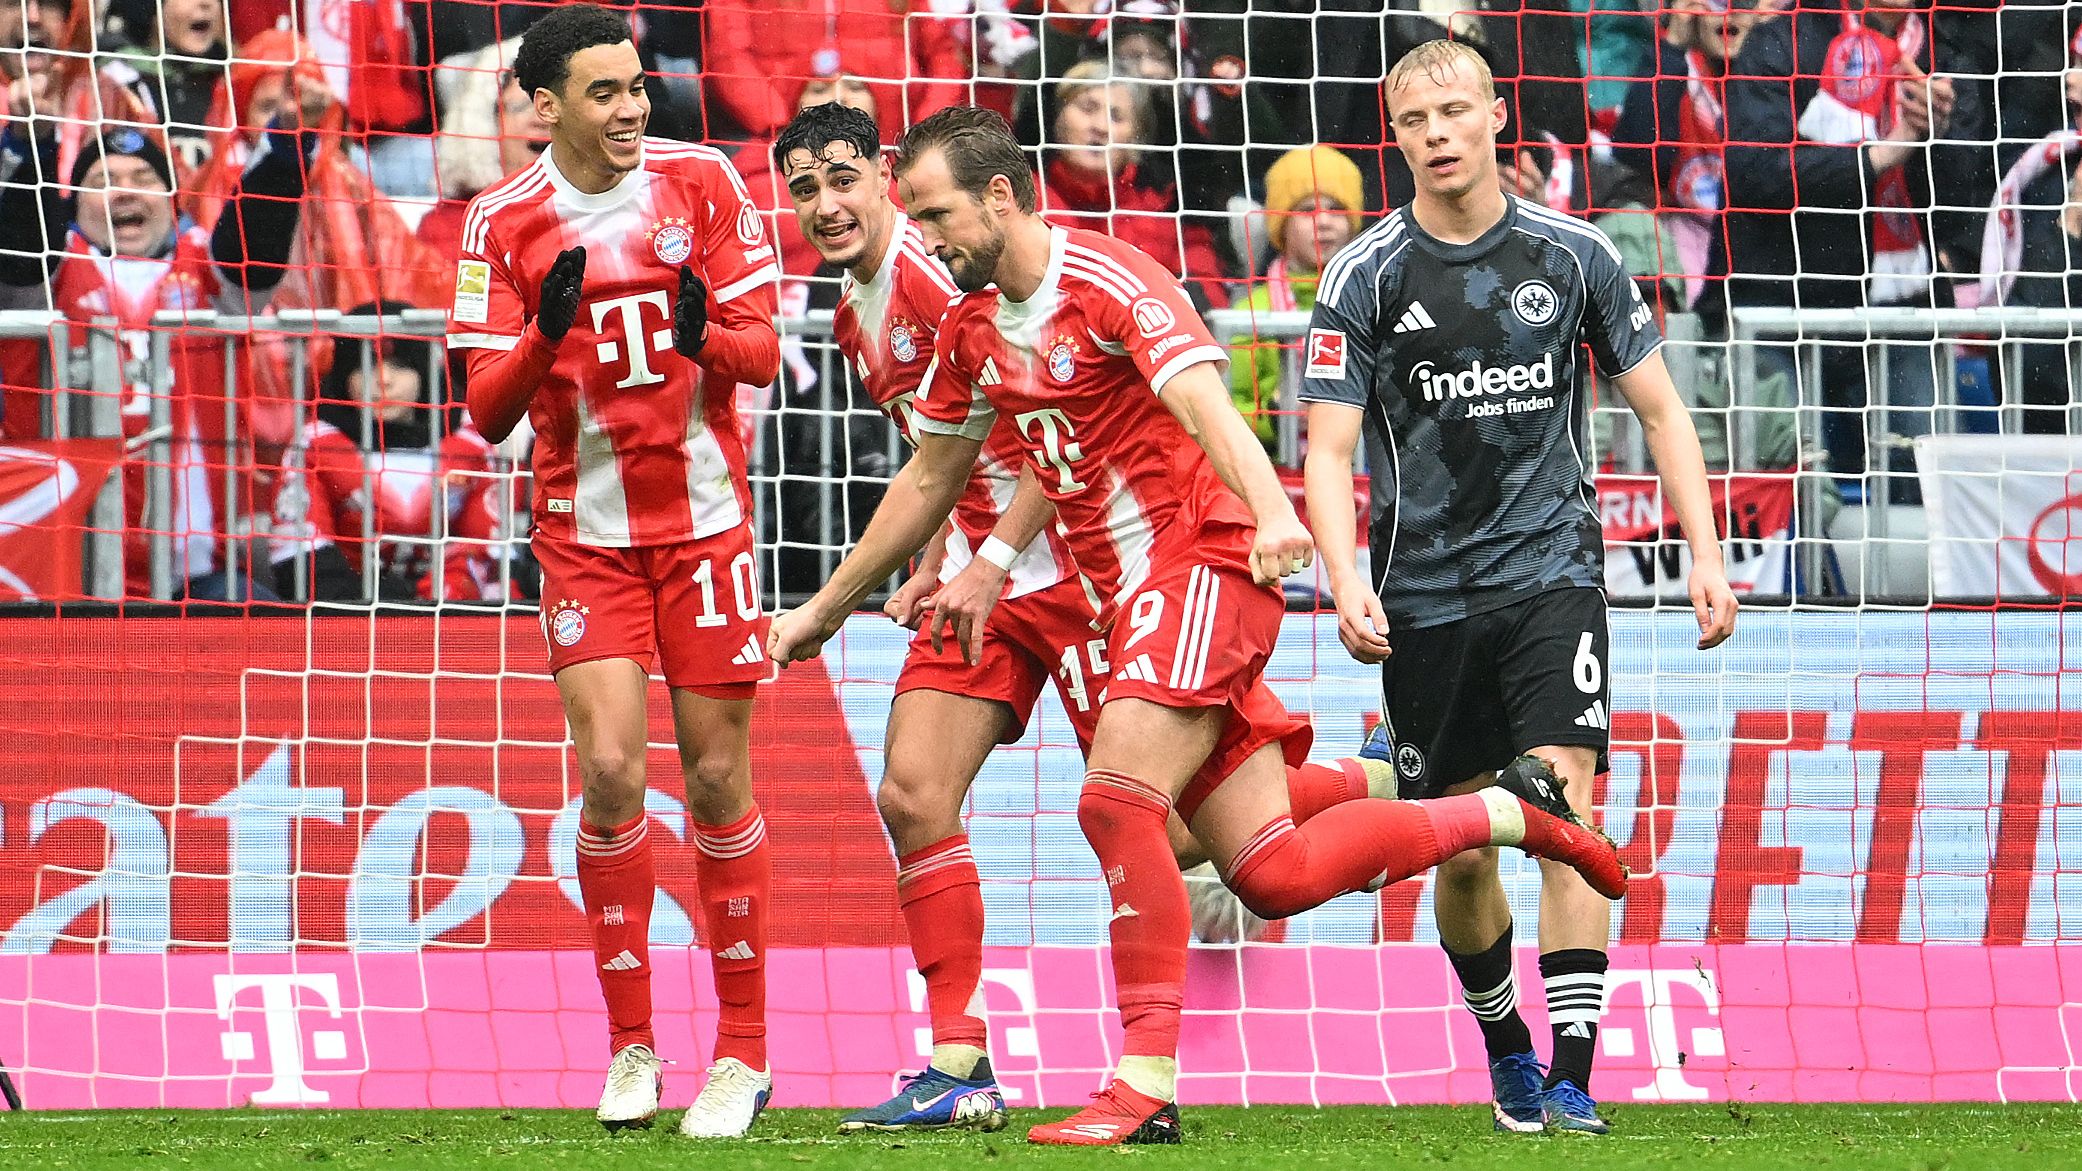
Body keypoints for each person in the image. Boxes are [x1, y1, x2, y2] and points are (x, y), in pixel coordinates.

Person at [768, 104, 1628, 1147]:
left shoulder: (1112, 281)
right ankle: (1510, 810)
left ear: (1000, 195)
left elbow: (1209, 407)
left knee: (1117, 801)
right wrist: (828, 606)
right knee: (1266, 866)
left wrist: (1273, 513)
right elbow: (938, 470)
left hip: (1203, 557)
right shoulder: (967, 324)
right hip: (1116, 588)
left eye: (933, 212)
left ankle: (1143, 1082)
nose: (923, 234)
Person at [1301, 40, 1737, 1137]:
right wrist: (1343, 575)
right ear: (1392, 133)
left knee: (1563, 791)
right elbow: (1325, 450)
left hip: (1552, 574)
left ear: (1497, 114)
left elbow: (1662, 411)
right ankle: (1507, 1050)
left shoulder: (1577, 254)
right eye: (1415, 119)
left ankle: (1578, 1073)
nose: (1438, 133)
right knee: (1463, 840)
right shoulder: (1363, 275)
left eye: (1456, 111)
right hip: (1423, 600)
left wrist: (1706, 548)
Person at [442, 4, 783, 1138]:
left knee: (720, 779)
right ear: (546, 108)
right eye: (605, 92)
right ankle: (631, 1046)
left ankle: (742, 1053)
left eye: (637, 87)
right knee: (611, 771)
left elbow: (766, 352)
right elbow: (483, 413)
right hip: (582, 537)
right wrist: (540, 339)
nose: (633, 108)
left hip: (707, 528)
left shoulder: (705, 182)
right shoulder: (500, 221)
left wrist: (703, 337)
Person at [0, 121, 302, 598]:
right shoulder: (46, 274)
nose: (125, 193)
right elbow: (20, 242)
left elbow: (255, 248)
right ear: (72, 206)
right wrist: (34, 146)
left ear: (172, 198)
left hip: (200, 573)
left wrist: (287, 151)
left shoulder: (206, 267)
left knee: (265, 637)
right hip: (68, 570)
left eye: (143, 179)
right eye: (103, 182)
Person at [265, 305, 513, 602]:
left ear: (425, 372)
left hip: (452, 613)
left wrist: (431, 598)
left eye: (400, 365)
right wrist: (377, 600)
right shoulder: (315, 444)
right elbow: (299, 557)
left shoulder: (472, 441)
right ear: (344, 375)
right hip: (349, 618)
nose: (384, 380)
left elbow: (487, 550)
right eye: (366, 365)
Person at [1036, 60, 1227, 307]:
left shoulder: (1167, 210)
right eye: (1087, 108)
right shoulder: (1023, 197)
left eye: (1116, 117)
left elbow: (1205, 293)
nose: (1100, 127)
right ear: (1058, 118)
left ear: (1136, 139)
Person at [1228, 145, 1364, 450]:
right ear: (1280, 224)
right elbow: (1231, 404)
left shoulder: (1373, 301)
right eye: (1307, 211)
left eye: (1337, 210)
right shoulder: (1253, 311)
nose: (1324, 222)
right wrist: (1279, 418)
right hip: (1277, 473)